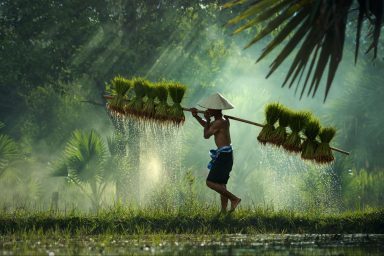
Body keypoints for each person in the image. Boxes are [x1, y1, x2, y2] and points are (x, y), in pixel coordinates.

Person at [191, 92, 241, 213]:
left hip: (224, 155)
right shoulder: (222, 120)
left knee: (210, 182)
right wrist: (197, 116)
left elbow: (206, 135)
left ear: (215, 109)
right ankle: (223, 211)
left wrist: (207, 120)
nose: (207, 110)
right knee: (221, 184)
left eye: (210, 108)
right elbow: (208, 126)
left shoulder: (220, 122)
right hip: (226, 154)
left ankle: (234, 199)